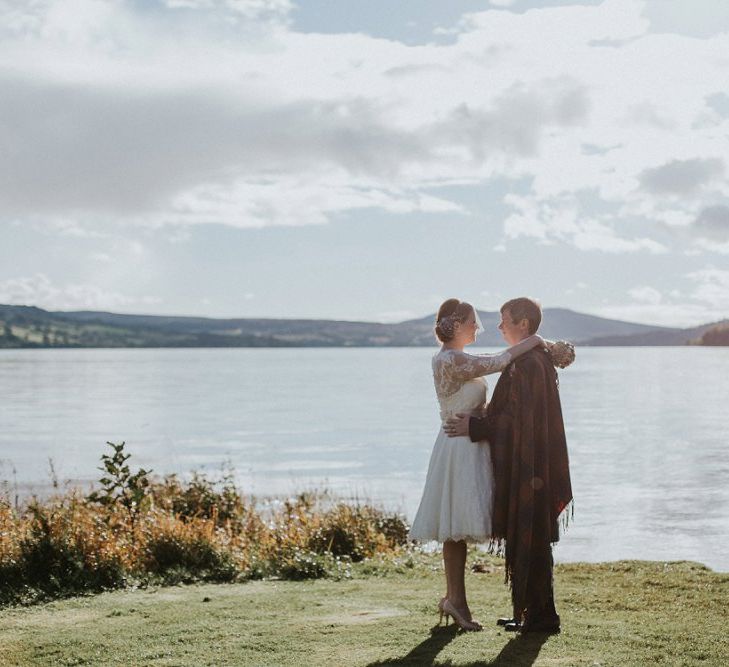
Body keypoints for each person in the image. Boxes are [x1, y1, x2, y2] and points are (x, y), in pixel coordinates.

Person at [408, 298, 545, 632]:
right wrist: (540, 342)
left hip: (472, 445)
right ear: (455, 324)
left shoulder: (459, 357)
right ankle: (456, 601)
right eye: (472, 321)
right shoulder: (450, 359)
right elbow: (499, 360)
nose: (478, 327)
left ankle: (455, 600)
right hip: (457, 449)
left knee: (458, 529)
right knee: (454, 527)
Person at [444, 297, 574, 634]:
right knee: (528, 540)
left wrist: (475, 427)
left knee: (532, 539)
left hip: (530, 469)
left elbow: (516, 421)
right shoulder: (530, 358)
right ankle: (532, 613)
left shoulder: (530, 364)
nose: (499, 327)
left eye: (504, 320)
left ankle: (541, 617)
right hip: (529, 466)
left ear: (523, 325)